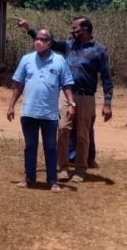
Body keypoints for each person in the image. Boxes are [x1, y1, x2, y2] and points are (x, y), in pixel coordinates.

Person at [16, 16, 113, 182]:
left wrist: (107, 103)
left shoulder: (99, 50)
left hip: (86, 97)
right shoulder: (69, 45)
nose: (71, 31)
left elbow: (106, 78)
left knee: (83, 135)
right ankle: (63, 167)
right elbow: (48, 42)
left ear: (85, 29)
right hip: (66, 95)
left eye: (75, 28)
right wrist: (29, 29)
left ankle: (80, 169)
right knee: (62, 130)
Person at [6, 29, 75, 193]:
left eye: (42, 39)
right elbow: (19, 85)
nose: (38, 41)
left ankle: (53, 181)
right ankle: (29, 179)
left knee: (50, 147)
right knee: (30, 146)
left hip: (49, 114)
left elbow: (66, 84)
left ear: (49, 43)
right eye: (37, 38)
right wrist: (11, 106)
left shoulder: (59, 60)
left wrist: (71, 104)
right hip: (29, 112)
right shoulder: (26, 59)